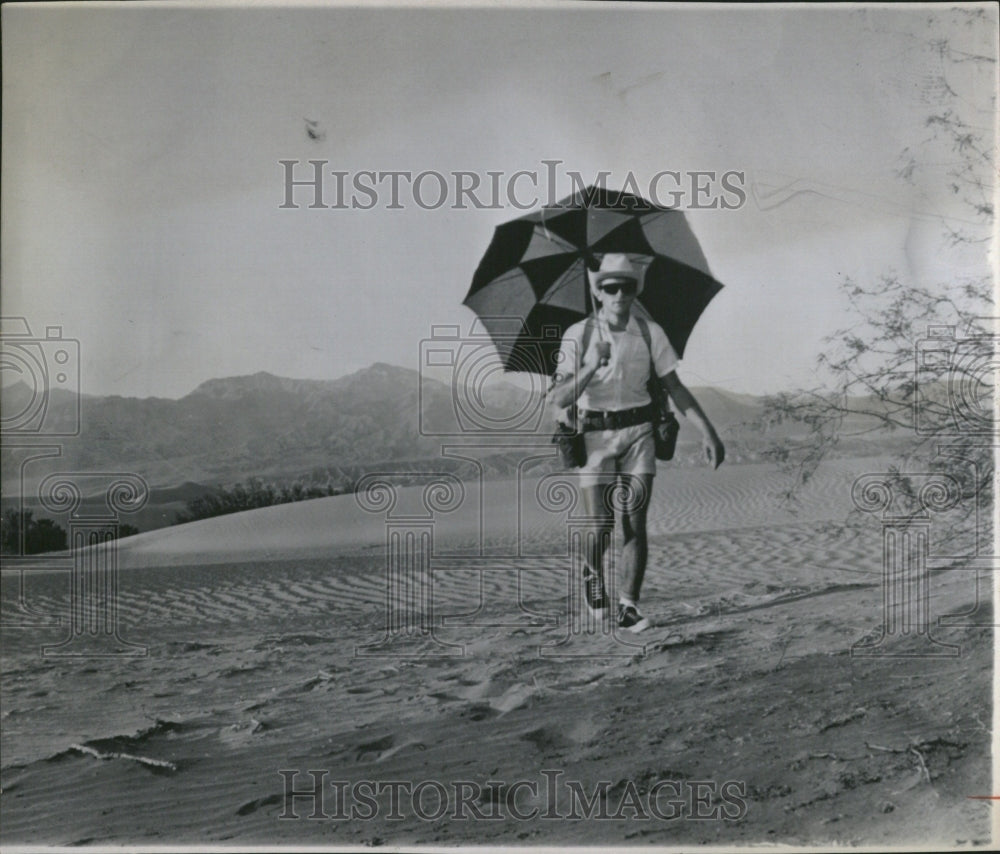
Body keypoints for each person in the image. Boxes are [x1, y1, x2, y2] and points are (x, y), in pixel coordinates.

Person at [549, 253, 725, 633]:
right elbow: (559, 399)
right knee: (600, 526)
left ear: (634, 291)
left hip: (639, 433)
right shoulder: (577, 336)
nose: (619, 294)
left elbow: (674, 387)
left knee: (634, 523)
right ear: (598, 292)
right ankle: (591, 573)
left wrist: (707, 431)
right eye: (610, 287)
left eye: (626, 286)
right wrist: (591, 364)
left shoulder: (649, 333)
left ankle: (629, 605)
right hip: (595, 436)